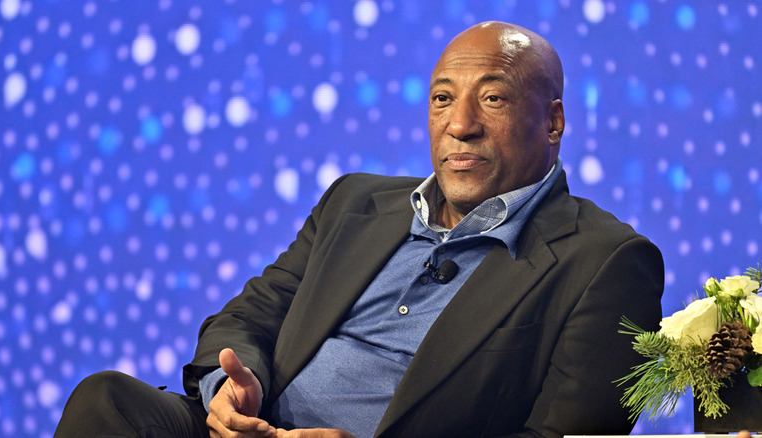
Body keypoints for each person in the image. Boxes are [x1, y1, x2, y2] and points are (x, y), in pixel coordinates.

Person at [55, 21, 665, 438]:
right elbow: (247, 318)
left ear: (553, 121)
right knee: (107, 401)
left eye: (495, 100)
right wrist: (230, 389)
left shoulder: (607, 261)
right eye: (442, 99)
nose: (461, 125)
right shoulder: (356, 201)